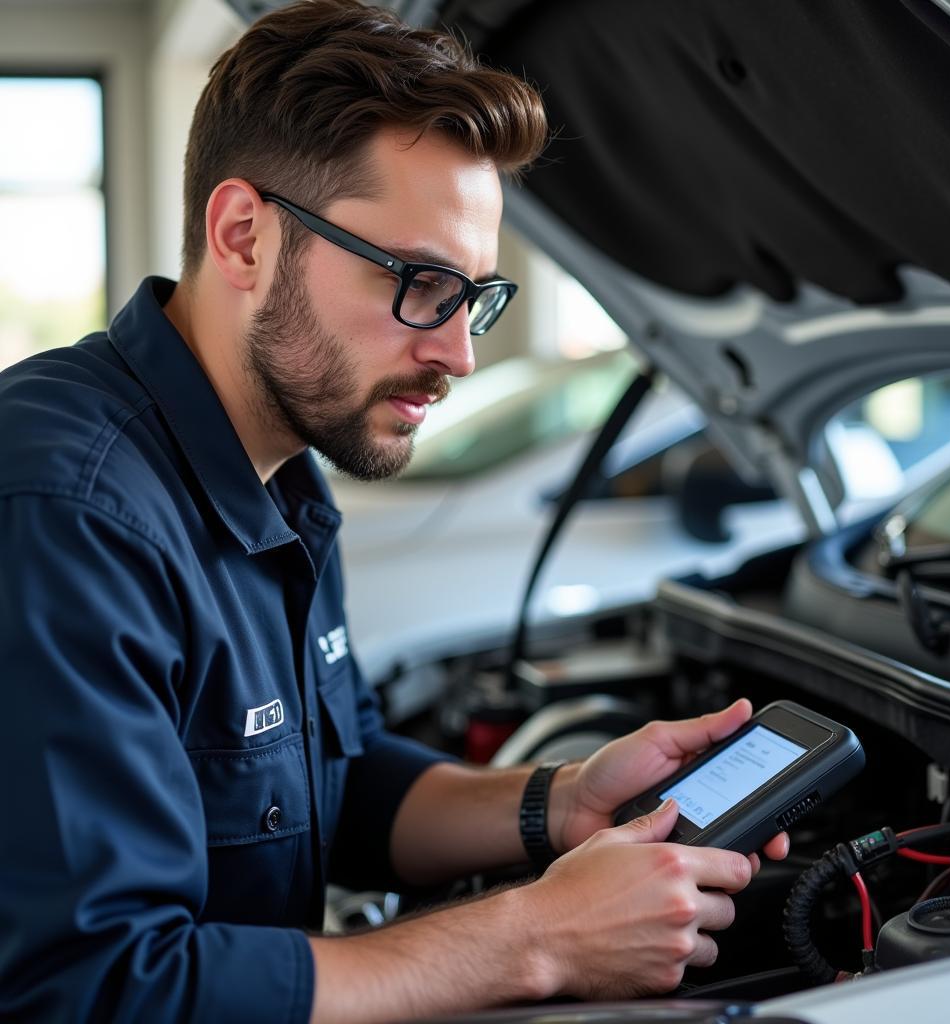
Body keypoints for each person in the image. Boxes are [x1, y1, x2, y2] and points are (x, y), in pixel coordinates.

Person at [0, 2, 788, 1021]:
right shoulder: (69, 513)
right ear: (244, 235)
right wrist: (535, 939)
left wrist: (561, 800)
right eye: (420, 284)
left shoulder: (283, 465)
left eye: (474, 297)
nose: (459, 353)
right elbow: (94, 990)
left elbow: (344, 778)